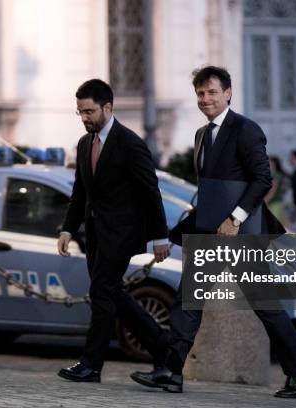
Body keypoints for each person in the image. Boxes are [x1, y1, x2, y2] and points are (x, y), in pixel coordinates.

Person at [130, 66, 296, 399]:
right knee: (188, 303)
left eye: (212, 92)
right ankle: (171, 372)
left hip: (242, 235)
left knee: (265, 306)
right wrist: (180, 234)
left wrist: (236, 218)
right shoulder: (202, 135)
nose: (206, 99)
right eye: (200, 93)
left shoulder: (246, 130)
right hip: (208, 235)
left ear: (228, 93)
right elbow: (210, 191)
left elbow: (263, 179)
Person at [56, 79, 170, 383]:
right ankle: (164, 349)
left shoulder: (130, 143)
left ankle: (91, 364)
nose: (84, 118)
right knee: (113, 294)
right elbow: (81, 192)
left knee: (102, 292)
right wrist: (68, 229)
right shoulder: (84, 144)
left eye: (89, 111)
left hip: (121, 235)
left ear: (107, 107)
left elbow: (150, 192)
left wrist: (161, 236)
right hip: (94, 234)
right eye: (80, 112)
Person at [265, 156, 290, 225]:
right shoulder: (275, 175)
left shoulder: (275, 176)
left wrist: (265, 201)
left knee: (273, 224)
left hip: (275, 203)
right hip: (277, 202)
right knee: (284, 224)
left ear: (273, 164)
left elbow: (272, 191)